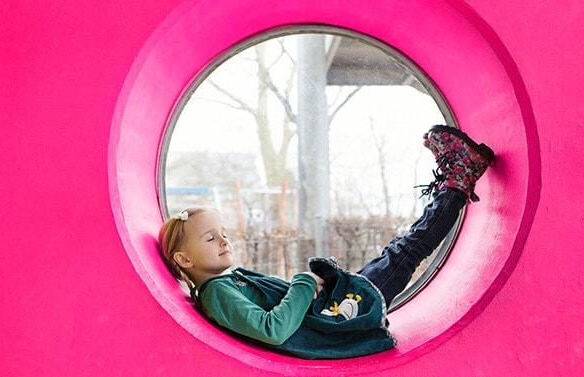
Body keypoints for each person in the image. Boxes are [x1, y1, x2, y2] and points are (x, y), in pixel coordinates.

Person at [157, 125, 494, 359]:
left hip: (332, 311)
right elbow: (272, 329)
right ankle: (458, 181)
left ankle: (456, 181)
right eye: (210, 236)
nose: (223, 239)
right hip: (337, 320)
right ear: (184, 259)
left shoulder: (224, 284)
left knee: (399, 252)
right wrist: (304, 282)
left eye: (223, 233)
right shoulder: (217, 293)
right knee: (405, 252)